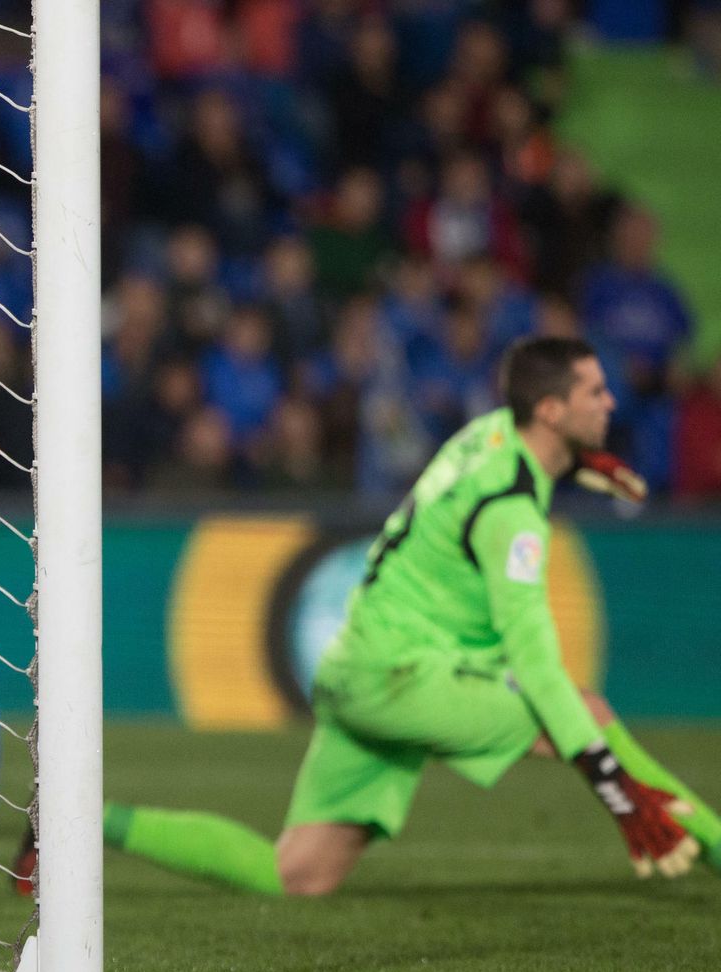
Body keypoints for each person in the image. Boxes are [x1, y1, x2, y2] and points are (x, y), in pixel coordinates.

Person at [68, 337, 721, 896]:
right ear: (550, 411)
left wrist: (583, 459)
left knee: (296, 872)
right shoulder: (511, 514)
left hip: (361, 667)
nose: (610, 403)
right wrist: (613, 789)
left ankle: (80, 821)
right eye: (595, 394)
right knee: (588, 717)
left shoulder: (488, 433)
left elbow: (530, 452)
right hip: (405, 676)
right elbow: (535, 664)